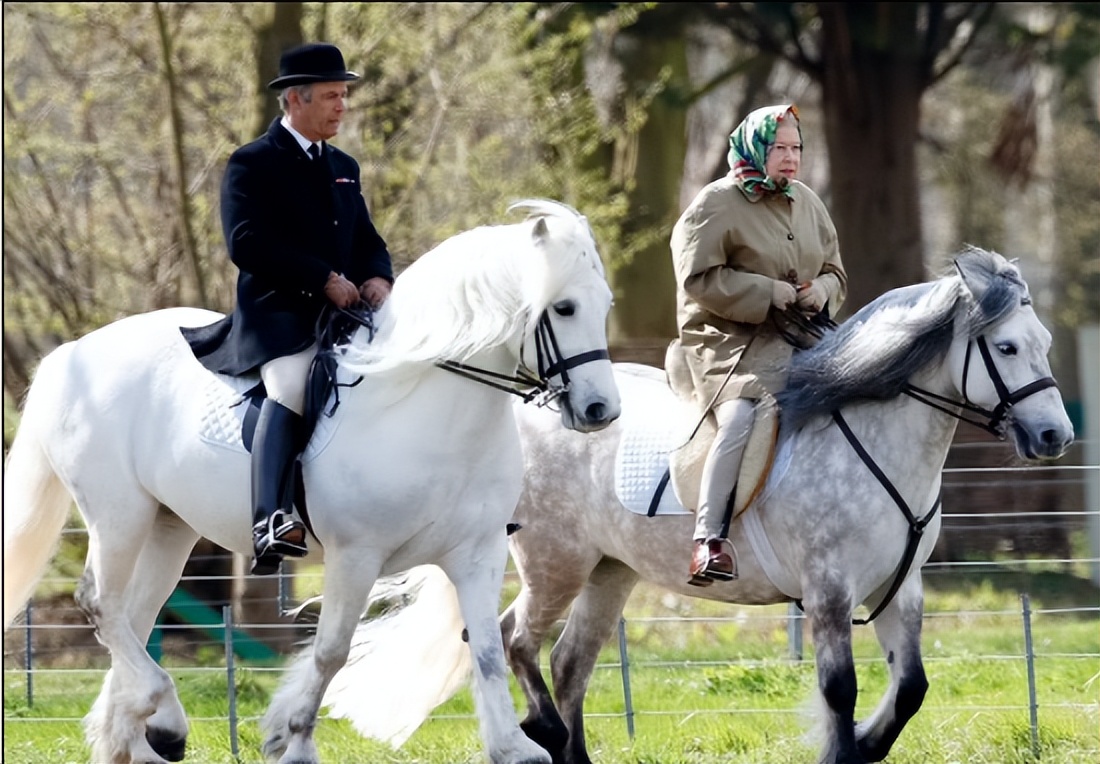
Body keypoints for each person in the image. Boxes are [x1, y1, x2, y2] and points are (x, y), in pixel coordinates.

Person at [182, 42, 395, 575]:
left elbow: (367, 238)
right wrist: (321, 278)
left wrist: (377, 276)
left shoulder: (343, 165)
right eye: (330, 96)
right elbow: (246, 242)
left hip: (345, 316)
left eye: (343, 95)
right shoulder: (253, 163)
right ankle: (270, 517)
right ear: (295, 101)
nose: (341, 105)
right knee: (290, 387)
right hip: (279, 316)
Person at [669, 104, 847, 587]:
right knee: (744, 415)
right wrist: (768, 292)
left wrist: (822, 292)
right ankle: (708, 542)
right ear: (754, 148)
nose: (790, 158)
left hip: (802, 334)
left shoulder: (809, 202)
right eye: (779, 148)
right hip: (727, 342)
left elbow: (835, 271)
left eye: (796, 148)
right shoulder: (715, 203)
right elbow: (697, 279)